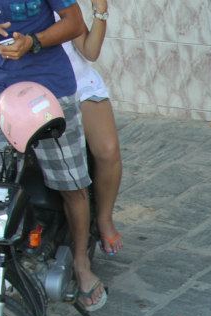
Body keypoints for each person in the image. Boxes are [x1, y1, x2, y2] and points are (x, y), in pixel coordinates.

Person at [0, 1, 107, 311]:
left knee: (72, 185)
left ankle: (80, 262)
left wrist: (33, 41)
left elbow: (74, 23)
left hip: (51, 94)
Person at [57, 0, 123, 256]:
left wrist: (100, 11)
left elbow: (90, 51)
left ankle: (104, 218)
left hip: (78, 83)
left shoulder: (60, 5)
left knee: (107, 150)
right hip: (33, 88)